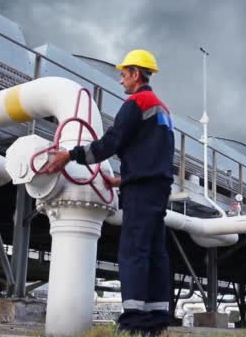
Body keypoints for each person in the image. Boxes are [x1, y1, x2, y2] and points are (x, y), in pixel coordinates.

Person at [43, 49, 174, 335]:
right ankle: (156, 320)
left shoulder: (136, 104)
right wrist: (123, 180)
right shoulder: (162, 109)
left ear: (136, 74)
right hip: (157, 186)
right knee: (154, 251)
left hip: (142, 190)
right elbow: (153, 154)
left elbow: (110, 143)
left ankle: (135, 320)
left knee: (133, 251)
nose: (121, 80)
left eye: (124, 74)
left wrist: (70, 155)